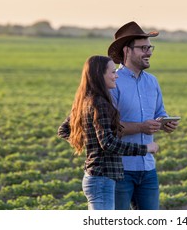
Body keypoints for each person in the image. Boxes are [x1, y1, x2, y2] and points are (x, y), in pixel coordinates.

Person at [57, 55, 159, 210]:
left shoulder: (86, 99)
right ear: (99, 75)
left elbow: (64, 130)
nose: (116, 75)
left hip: (95, 176)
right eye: (112, 72)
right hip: (102, 178)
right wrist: (145, 149)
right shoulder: (100, 104)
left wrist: (91, 142)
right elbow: (108, 143)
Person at [107, 21, 179, 210]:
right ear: (126, 51)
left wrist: (165, 123)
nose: (149, 52)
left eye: (150, 47)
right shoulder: (113, 82)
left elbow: (159, 113)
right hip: (120, 169)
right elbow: (108, 127)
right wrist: (141, 127)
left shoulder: (152, 81)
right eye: (143, 48)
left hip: (148, 168)